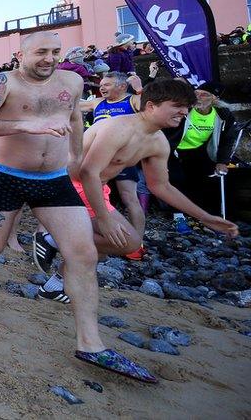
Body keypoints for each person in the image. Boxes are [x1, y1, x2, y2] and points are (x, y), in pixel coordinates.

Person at [0, 31, 158, 383]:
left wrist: (76, 155)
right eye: (41, 51)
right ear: (21, 54)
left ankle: (90, 343)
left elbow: (74, 117)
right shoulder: (4, 82)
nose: (49, 58)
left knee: (84, 254)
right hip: (6, 175)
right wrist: (29, 124)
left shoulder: (73, 80)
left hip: (54, 179)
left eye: (55, 51)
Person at [37, 80, 239, 302]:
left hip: (95, 188)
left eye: (186, 106)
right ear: (151, 105)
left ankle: (54, 285)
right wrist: (104, 218)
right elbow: (87, 172)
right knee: (129, 242)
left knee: (102, 249)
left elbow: (160, 186)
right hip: (67, 184)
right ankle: (52, 239)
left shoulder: (158, 142)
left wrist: (206, 217)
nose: (184, 111)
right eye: (177, 105)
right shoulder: (119, 128)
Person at [78, 71, 147, 259]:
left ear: (122, 86)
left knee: (129, 198)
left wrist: (140, 89)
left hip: (122, 159)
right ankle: (105, 241)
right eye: (101, 84)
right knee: (95, 200)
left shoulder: (132, 100)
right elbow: (74, 106)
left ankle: (136, 244)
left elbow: (149, 111)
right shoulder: (98, 102)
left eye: (107, 85)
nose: (102, 87)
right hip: (97, 160)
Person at [169, 81, 239, 232]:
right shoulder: (184, 110)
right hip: (174, 149)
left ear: (214, 98)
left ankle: (208, 217)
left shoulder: (223, 115)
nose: (198, 97)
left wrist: (222, 161)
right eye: (196, 93)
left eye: (204, 95)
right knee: (177, 179)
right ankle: (178, 217)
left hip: (199, 150)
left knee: (207, 179)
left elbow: (228, 139)